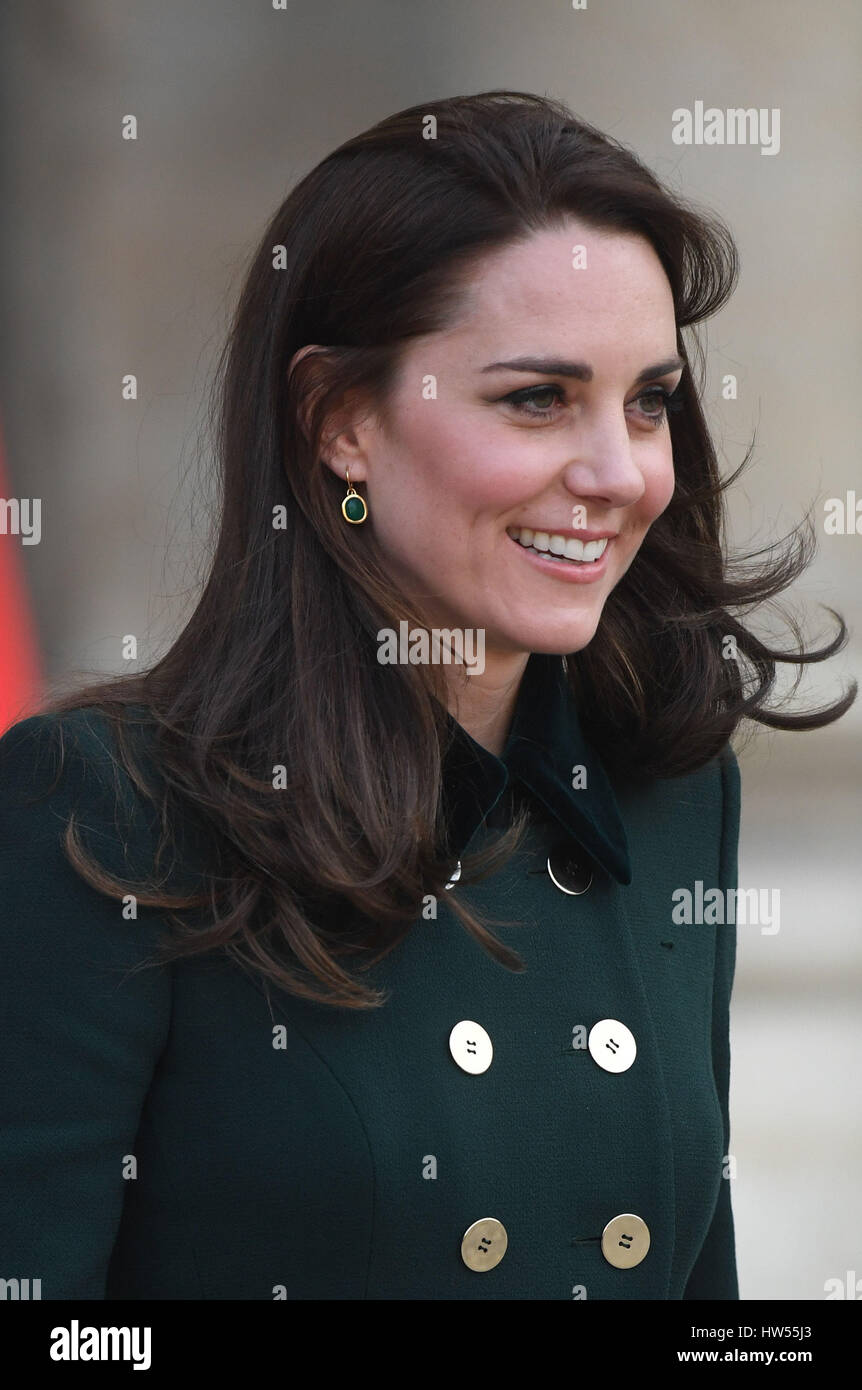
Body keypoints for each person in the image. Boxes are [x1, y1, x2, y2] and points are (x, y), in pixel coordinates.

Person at [0, 90, 852, 1301]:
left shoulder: (662, 788)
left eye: (649, 400)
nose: (619, 473)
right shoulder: (104, 810)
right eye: (536, 398)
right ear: (339, 421)